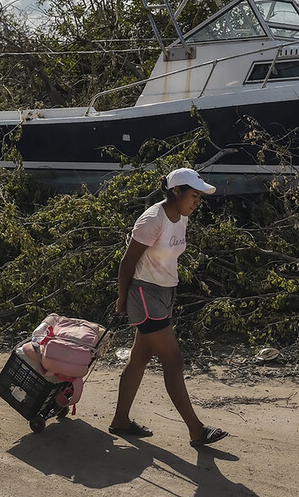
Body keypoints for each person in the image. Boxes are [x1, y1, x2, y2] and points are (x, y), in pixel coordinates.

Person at [109, 167, 229, 448]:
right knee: (173, 360)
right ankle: (196, 430)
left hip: (164, 294)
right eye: (193, 195)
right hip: (145, 294)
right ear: (176, 192)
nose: (197, 201)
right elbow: (127, 263)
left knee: (139, 358)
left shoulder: (181, 218)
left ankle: (121, 421)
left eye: (199, 197)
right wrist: (122, 299)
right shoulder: (153, 219)